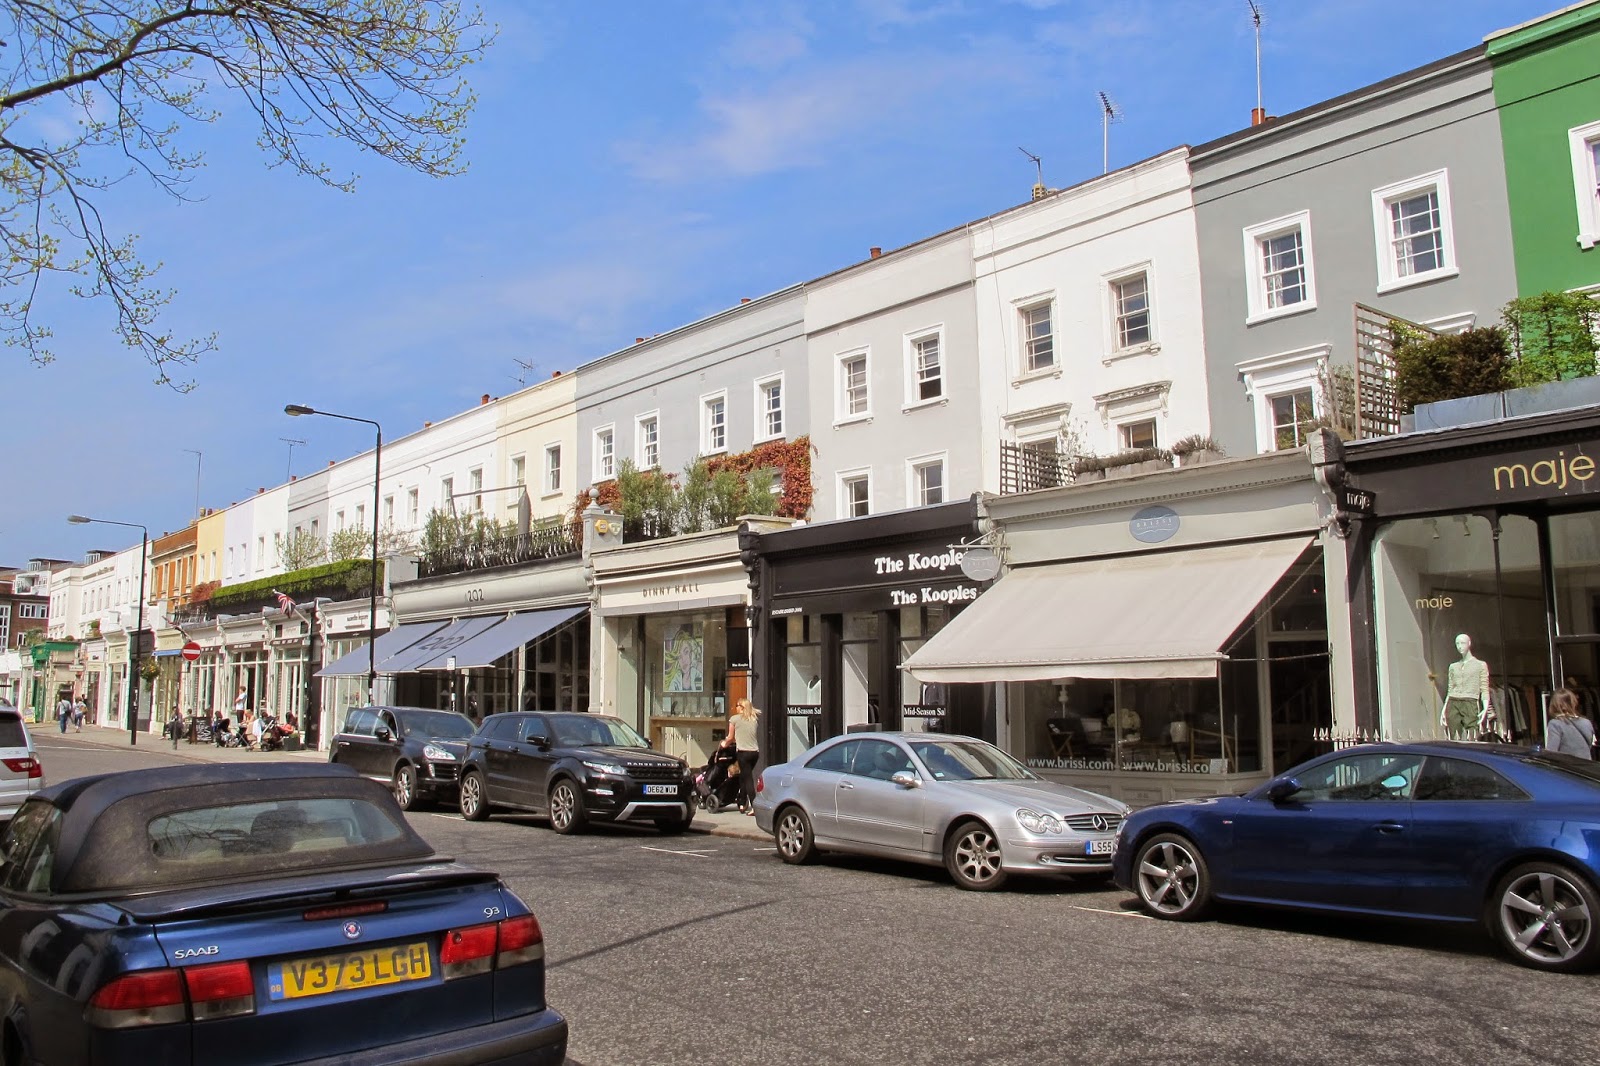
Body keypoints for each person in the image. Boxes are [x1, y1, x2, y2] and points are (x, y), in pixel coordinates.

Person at [1440, 633, 1490, 736]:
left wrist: (1485, 708)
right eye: (1457, 643)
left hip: (1470, 701)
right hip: (1453, 702)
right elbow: (1450, 688)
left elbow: (1484, 688)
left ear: (1469, 643)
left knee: (1472, 734)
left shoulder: (1480, 665)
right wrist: (1444, 708)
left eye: (1462, 643)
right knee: (1453, 735)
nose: (1459, 646)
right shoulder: (1453, 666)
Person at [721, 697, 762, 815]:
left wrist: (725, 744)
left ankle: (755, 805)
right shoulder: (753, 719)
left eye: (738, 706)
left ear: (742, 707)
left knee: (748, 779)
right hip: (755, 753)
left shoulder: (734, 719)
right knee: (744, 776)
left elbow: (730, 737)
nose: (736, 708)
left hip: (743, 753)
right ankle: (742, 802)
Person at [1545, 688, 1595, 759]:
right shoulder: (1586, 722)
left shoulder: (1555, 724)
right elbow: (1589, 745)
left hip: (1567, 767)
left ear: (1554, 705)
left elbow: (1551, 752)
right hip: (1586, 766)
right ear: (1573, 703)